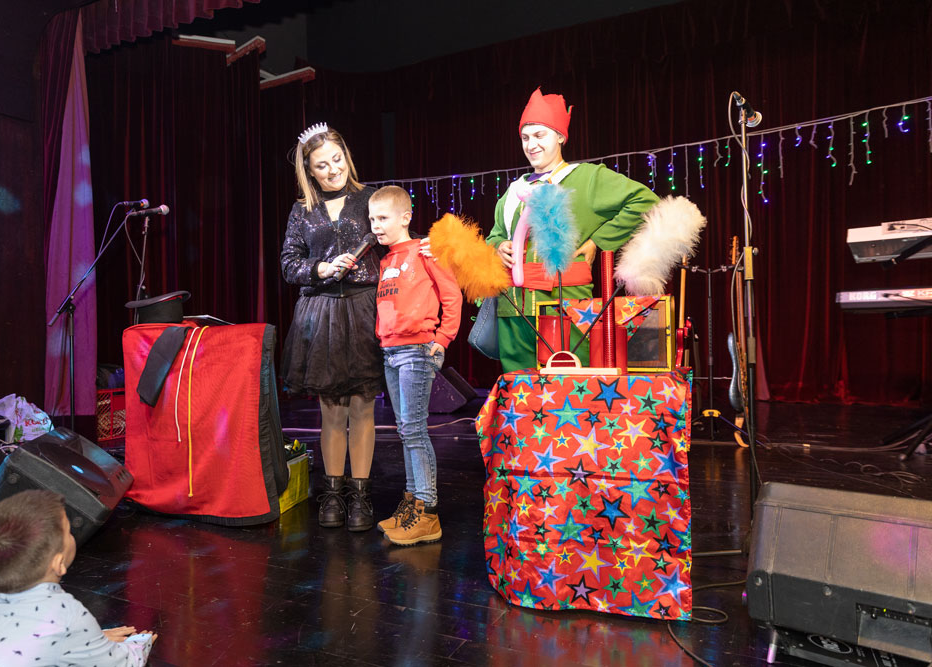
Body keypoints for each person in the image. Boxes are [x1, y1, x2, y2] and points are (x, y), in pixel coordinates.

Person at [485, 88, 659, 373]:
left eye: (539, 135)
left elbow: (645, 202)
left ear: (560, 137)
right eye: (525, 138)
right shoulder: (514, 190)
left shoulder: (587, 178)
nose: (531, 145)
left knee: (568, 388)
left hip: (564, 306)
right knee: (518, 390)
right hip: (512, 311)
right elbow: (495, 233)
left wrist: (599, 241)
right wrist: (497, 246)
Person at [280, 124, 383, 531]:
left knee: (362, 406)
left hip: (363, 309)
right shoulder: (302, 211)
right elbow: (289, 264)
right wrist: (321, 268)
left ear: (346, 157)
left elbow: (396, 238)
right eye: (321, 165)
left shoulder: (370, 198)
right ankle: (334, 493)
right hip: (321, 312)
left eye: (337, 159)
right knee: (332, 410)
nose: (332, 169)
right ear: (309, 170)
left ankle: (360, 495)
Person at [0, 490, 156, 666]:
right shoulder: (66, 614)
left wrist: (83, 642)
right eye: (68, 531)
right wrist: (139, 644)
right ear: (58, 563)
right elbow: (122, 662)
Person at [368, 186, 462, 546]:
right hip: (391, 351)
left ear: (405, 217)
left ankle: (428, 512)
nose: (376, 225)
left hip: (416, 350)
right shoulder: (385, 260)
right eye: (372, 219)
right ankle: (412, 504)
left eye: (383, 218)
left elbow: (452, 296)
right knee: (405, 431)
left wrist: (442, 339)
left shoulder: (425, 251)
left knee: (415, 431)